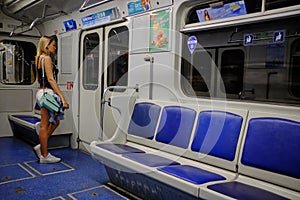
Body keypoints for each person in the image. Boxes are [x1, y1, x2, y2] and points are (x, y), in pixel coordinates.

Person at [34, 36, 69, 163]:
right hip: (47, 93)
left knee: (54, 121)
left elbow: (39, 78)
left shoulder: (38, 58)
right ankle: (44, 155)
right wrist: (62, 97)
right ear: (46, 46)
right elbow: (51, 79)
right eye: (53, 45)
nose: (55, 47)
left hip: (41, 92)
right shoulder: (47, 58)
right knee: (45, 125)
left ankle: (41, 147)